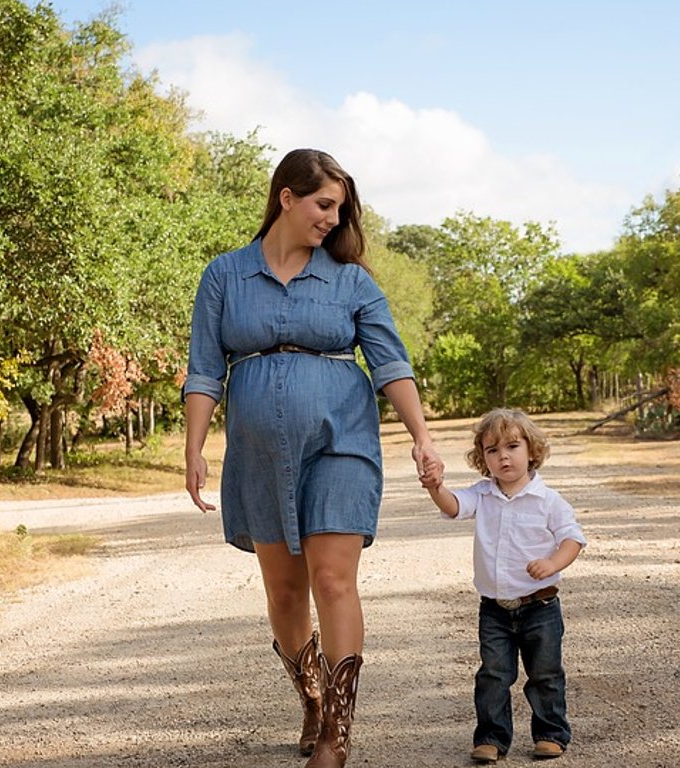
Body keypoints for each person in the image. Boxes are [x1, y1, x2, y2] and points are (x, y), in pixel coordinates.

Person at [182, 148, 442, 768]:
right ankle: (313, 694)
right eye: (324, 204)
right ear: (287, 197)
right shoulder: (224, 276)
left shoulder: (351, 281)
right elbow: (203, 370)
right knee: (284, 591)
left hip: (341, 442)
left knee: (332, 579)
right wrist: (194, 446)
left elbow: (391, 363)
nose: (332, 218)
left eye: (340, 209)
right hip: (256, 450)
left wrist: (422, 435)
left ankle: (336, 734)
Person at [420, 408, 585, 764]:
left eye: (512, 446)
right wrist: (436, 487)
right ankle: (492, 739)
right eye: (492, 450)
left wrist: (553, 563)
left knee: (545, 673)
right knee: (493, 675)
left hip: (540, 606)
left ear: (531, 450)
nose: (503, 456)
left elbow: (573, 540)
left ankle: (550, 733)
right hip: (494, 608)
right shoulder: (483, 495)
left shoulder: (548, 501)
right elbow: (453, 506)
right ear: (483, 459)